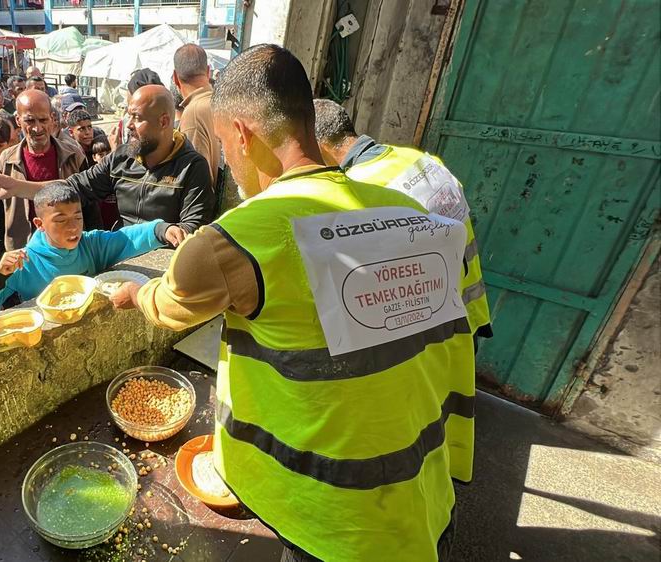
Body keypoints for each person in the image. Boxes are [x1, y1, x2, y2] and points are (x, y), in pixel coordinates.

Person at [109, 45, 474, 562]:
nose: (227, 160)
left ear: (240, 133)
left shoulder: (230, 240)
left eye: (224, 143)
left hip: (334, 519)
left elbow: (166, 302)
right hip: (424, 491)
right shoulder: (409, 212)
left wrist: (128, 292)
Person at [313, 98, 493, 344]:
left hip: (438, 331)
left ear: (321, 147)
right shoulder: (420, 160)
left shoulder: (358, 192)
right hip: (470, 310)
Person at [0, 85, 212, 248]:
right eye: (128, 116)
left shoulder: (192, 168)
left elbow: (190, 232)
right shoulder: (122, 157)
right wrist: (16, 188)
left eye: (136, 118)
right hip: (120, 260)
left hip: (162, 272)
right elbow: (74, 187)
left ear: (164, 121)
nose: (127, 125)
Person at [0, 183, 165, 316]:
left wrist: (160, 230)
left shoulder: (91, 244)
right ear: (40, 224)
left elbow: (127, 239)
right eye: (61, 220)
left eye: (78, 218)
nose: (72, 227)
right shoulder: (24, 262)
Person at [0, 90, 102, 264]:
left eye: (43, 120)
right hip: (23, 257)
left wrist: (93, 253)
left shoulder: (73, 156)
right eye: (30, 120)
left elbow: (90, 208)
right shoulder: (6, 161)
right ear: (18, 121)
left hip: (68, 255)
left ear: (52, 119)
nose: (37, 128)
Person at [173, 44, 221, 186]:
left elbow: (198, 182)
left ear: (175, 77)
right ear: (208, 72)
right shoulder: (221, 101)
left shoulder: (193, 114)